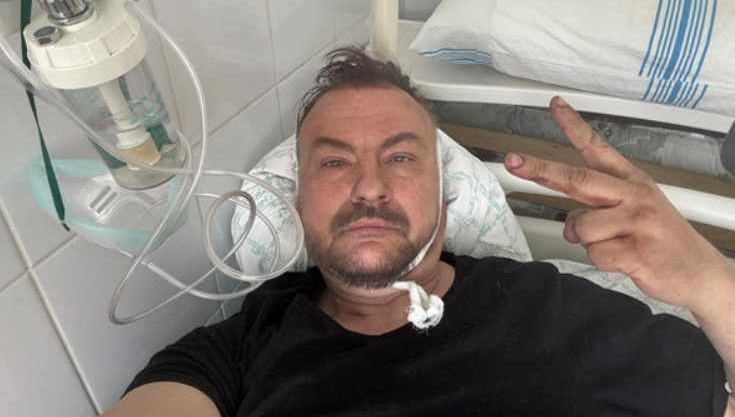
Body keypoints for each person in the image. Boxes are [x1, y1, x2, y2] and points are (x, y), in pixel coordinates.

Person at [102, 46, 735, 416]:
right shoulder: (234, 354)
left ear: (443, 193)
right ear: (297, 199)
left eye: (401, 157)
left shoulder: (554, 310)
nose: (369, 185)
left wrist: (710, 283)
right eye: (334, 162)